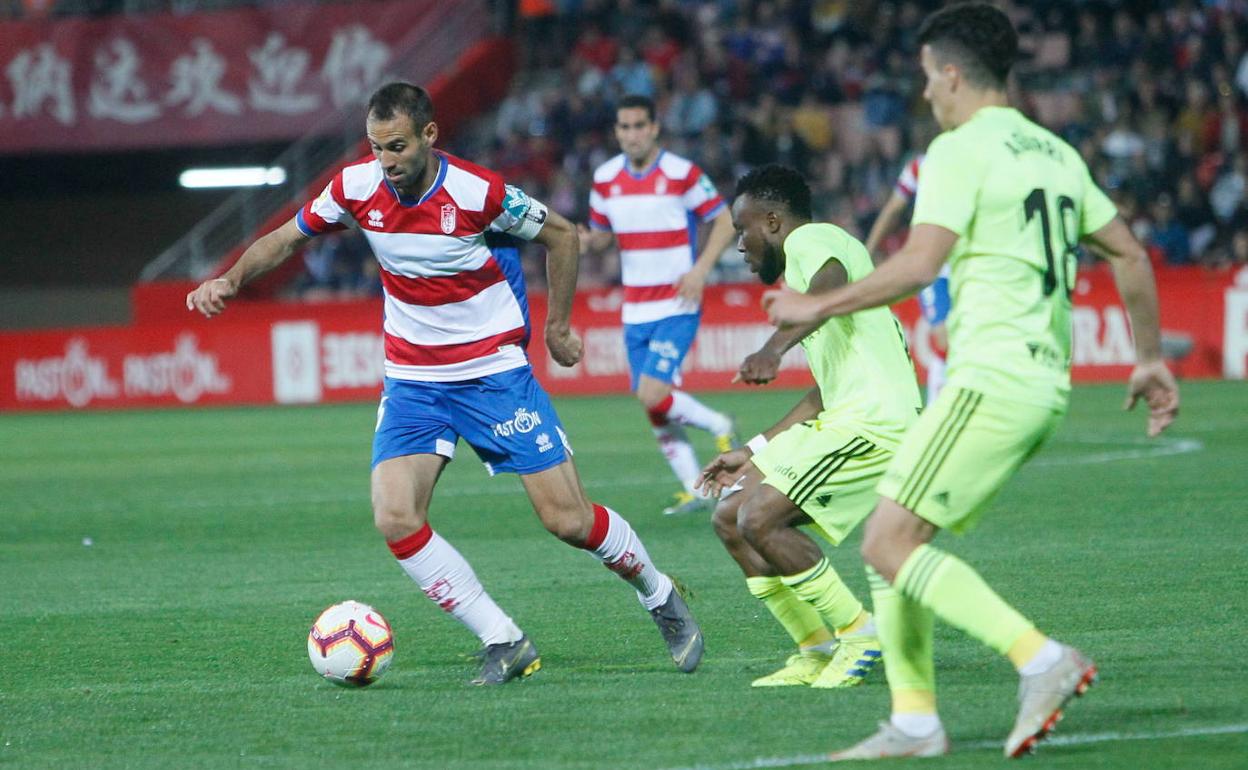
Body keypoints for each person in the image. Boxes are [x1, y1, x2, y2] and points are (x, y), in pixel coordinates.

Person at [763, 4, 1179, 759]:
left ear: (952, 75)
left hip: (991, 380)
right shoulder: (1055, 153)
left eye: (927, 78)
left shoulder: (960, 150)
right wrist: (1147, 357)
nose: (925, 94)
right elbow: (1130, 256)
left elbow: (917, 266)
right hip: (1041, 384)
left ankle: (1043, 660)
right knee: (896, 537)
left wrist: (812, 304)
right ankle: (916, 721)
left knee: (887, 542)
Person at [187, 82, 703, 685]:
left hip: (492, 373)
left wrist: (558, 327)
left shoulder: (477, 192)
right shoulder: (356, 187)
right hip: (413, 378)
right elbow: (286, 237)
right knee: (396, 516)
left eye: (398, 146)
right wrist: (230, 278)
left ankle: (659, 593)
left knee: (566, 519)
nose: (386, 161)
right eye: (377, 147)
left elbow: (561, 235)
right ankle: (503, 640)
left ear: (429, 135)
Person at [700, 165, 922, 689]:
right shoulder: (815, 297)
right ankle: (815, 648)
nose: (739, 246)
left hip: (876, 424)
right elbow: (823, 393)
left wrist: (773, 347)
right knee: (731, 516)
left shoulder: (814, 241)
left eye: (742, 229)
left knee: (761, 518)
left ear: (773, 221)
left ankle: (859, 633)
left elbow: (831, 282)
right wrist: (753, 450)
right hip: (847, 417)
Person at [580, 94, 739, 516]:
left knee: (653, 393)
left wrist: (702, 269)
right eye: (624, 127)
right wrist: (582, 242)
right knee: (650, 402)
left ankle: (720, 426)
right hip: (635, 307)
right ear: (617, 132)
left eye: (638, 126)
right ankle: (696, 489)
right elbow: (600, 234)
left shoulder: (681, 173)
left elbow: (724, 219)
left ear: (653, 129)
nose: (631, 135)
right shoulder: (605, 178)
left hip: (676, 302)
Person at [863, 152, 951, 404]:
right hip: (934, 264)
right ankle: (936, 413)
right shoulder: (919, 167)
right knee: (943, 338)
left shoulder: (972, 165)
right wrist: (868, 250)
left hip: (970, 264)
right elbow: (893, 209)